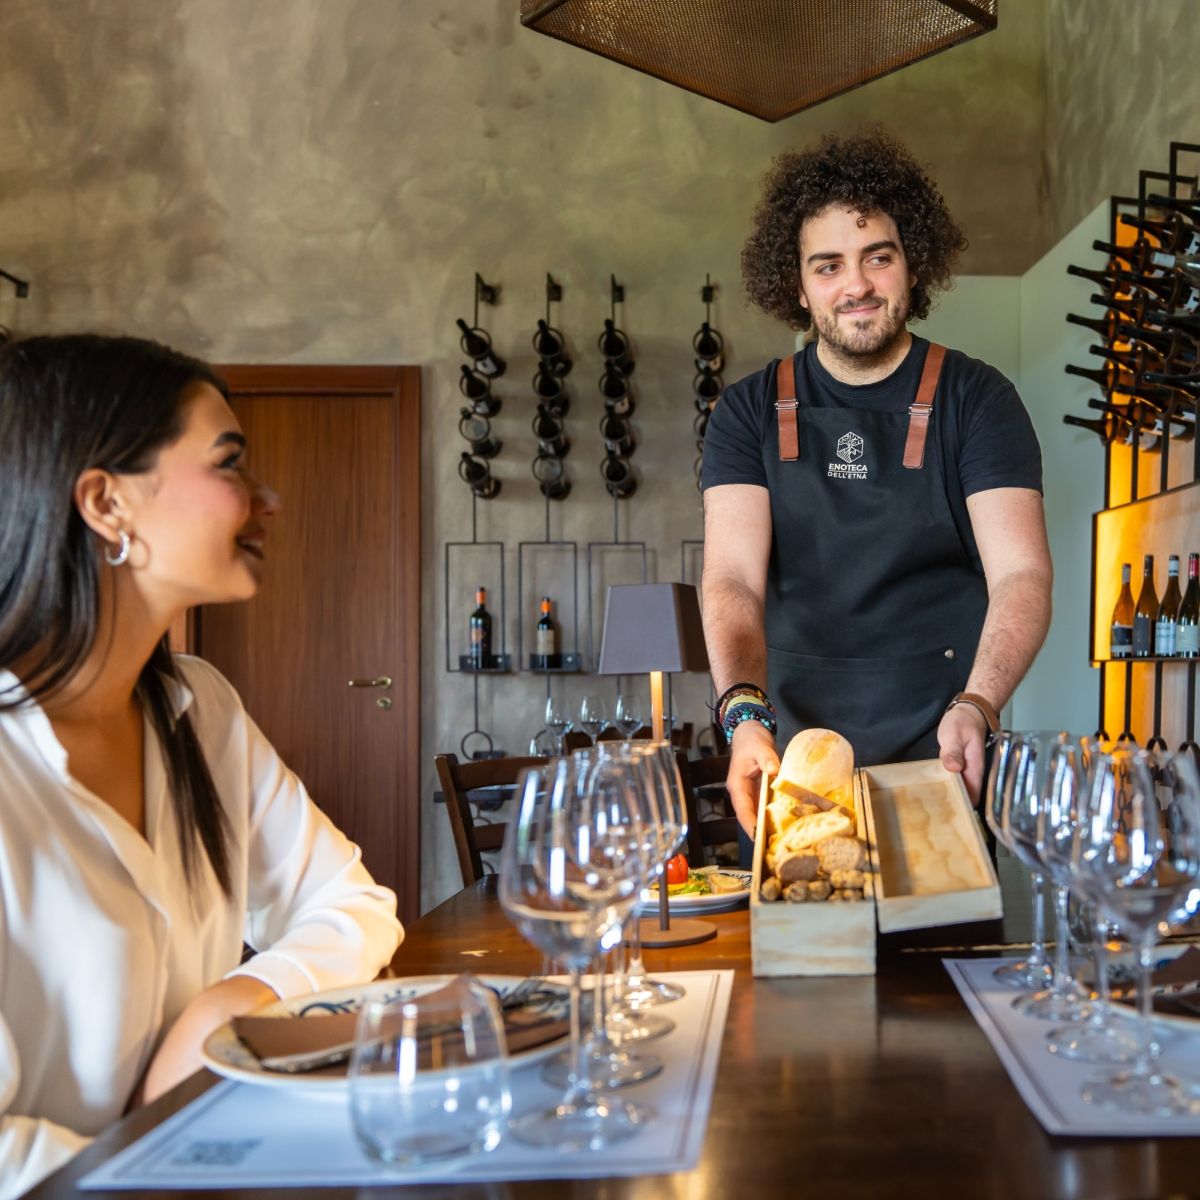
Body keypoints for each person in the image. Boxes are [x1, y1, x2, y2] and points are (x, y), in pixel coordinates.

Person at [0, 334, 403, 1197]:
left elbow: (353, 904)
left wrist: (231, 1005)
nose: (268, 499)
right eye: (230, 464)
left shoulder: (198, 705)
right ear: (107, 504)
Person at [701, 129, 1053, 839]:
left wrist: (978, 705)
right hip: (787, 762)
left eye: (877, 257)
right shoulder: (746, 410)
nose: (856, 285)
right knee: (804, 945)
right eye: (828, 266)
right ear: (797, 287)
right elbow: (733, 578)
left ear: (912, 266)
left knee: (946, 946)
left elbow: (1021, 574)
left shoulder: (979, 399)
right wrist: (741, 715)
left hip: (946, 755)